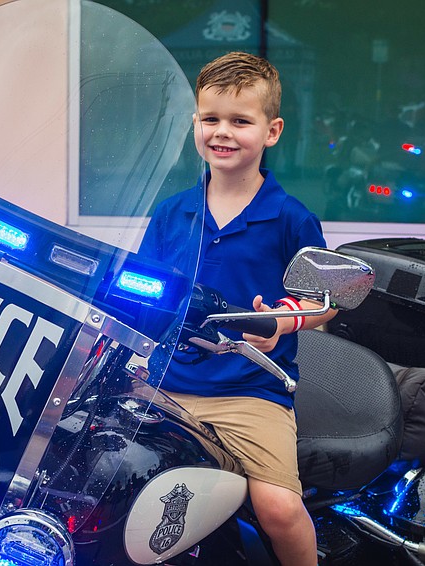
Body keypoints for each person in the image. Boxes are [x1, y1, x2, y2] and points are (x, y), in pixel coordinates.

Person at [139, 51, 336, 566]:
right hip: (163, 383)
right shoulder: (172, 212)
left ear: (272, 131)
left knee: (277, 507)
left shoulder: (291, 218)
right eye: (211, 119)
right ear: (195, 124)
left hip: (249, 393)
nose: (222, 132)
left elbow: (322, 302)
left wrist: (282, 319)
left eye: (240, 121)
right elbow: (139, 290)